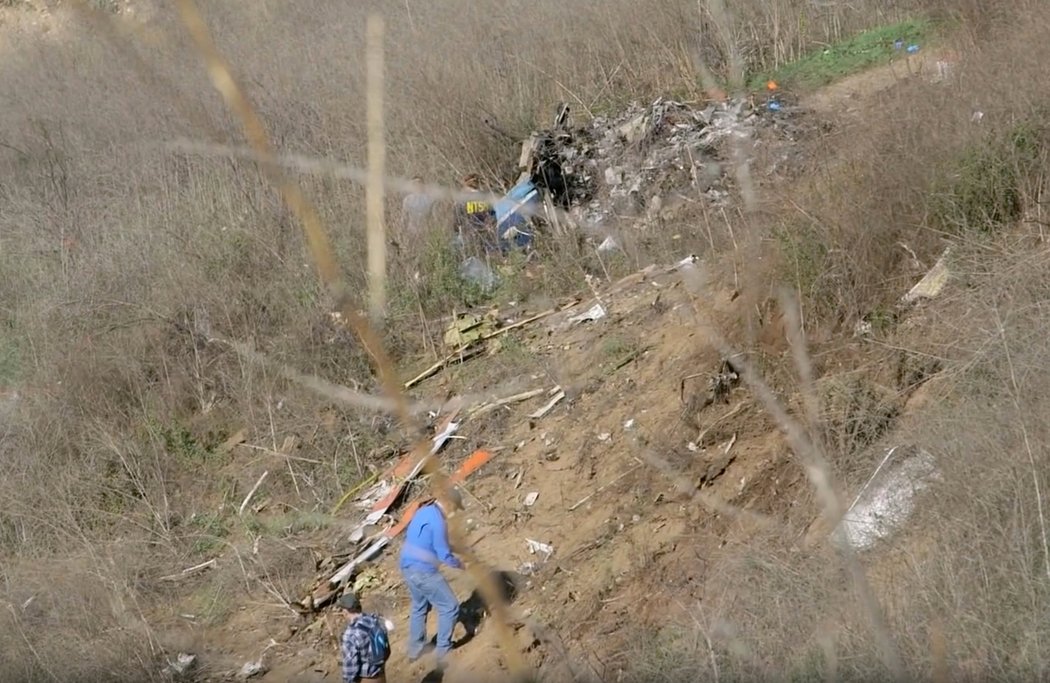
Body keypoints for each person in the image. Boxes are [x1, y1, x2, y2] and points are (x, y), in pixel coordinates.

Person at [399, 487, 465, 667]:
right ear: (449, 503)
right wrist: (461, 565)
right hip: (423, 570)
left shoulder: (424, 512)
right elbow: (443, 554)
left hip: (407, 566)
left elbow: (430, 541)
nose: (454, 512)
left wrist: (457, 549)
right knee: (450, 607)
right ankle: (443, 650)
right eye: (455, 508)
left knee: (419, 606)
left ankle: (415, 649)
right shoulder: (438, 521)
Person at [336, 592, 391, 683]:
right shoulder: (375, 620)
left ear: (345, 612)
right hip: (381, 675)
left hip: (366, 679)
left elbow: (350, 669)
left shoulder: (350, 634)